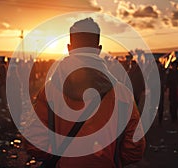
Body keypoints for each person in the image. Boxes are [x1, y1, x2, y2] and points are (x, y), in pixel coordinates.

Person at [24, 18, 145, 168]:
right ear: (99, 49)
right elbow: (135, 148)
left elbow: (34, 143)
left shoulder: (49, 91)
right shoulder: (123, 94)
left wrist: (61, 158)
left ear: (69, 48)